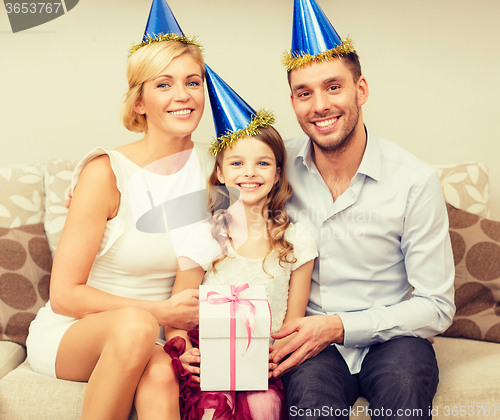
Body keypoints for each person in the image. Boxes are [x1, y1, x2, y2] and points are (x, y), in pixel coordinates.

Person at [269, 1, 456, 419]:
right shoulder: (274, 171)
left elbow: (437, 306)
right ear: (294, 102)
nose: (319, 105)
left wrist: (339, 326)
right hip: (308, 339)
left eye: (333, 86)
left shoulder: (414, 180)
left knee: (406, 392)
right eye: (304, 93)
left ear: (361, 89)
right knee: (310, 405)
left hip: (395, 338)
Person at [26, 2, 212, 419]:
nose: (183, 95)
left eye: (193, 82)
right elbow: (65, 294)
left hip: (153, 334)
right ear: (140, 101)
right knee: (135, 327)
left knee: (163, 372)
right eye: (164, 84)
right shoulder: (105, 172)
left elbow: (187, 285)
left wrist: (178, 342)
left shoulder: (213, 170)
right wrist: (159, 314)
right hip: (75, 331)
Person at [164, 67, 318, 420]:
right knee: (213, 408)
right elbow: (177, 315)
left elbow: (293, 322)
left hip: (264, 360)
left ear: (278, 173)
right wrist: (183, 347)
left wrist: (274, 355)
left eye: (263, 163)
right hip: (210, 354)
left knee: (265, 406)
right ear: (220, 172)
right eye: (237, 163)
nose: (250, 172)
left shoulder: (298, 240)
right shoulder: (202, 237)